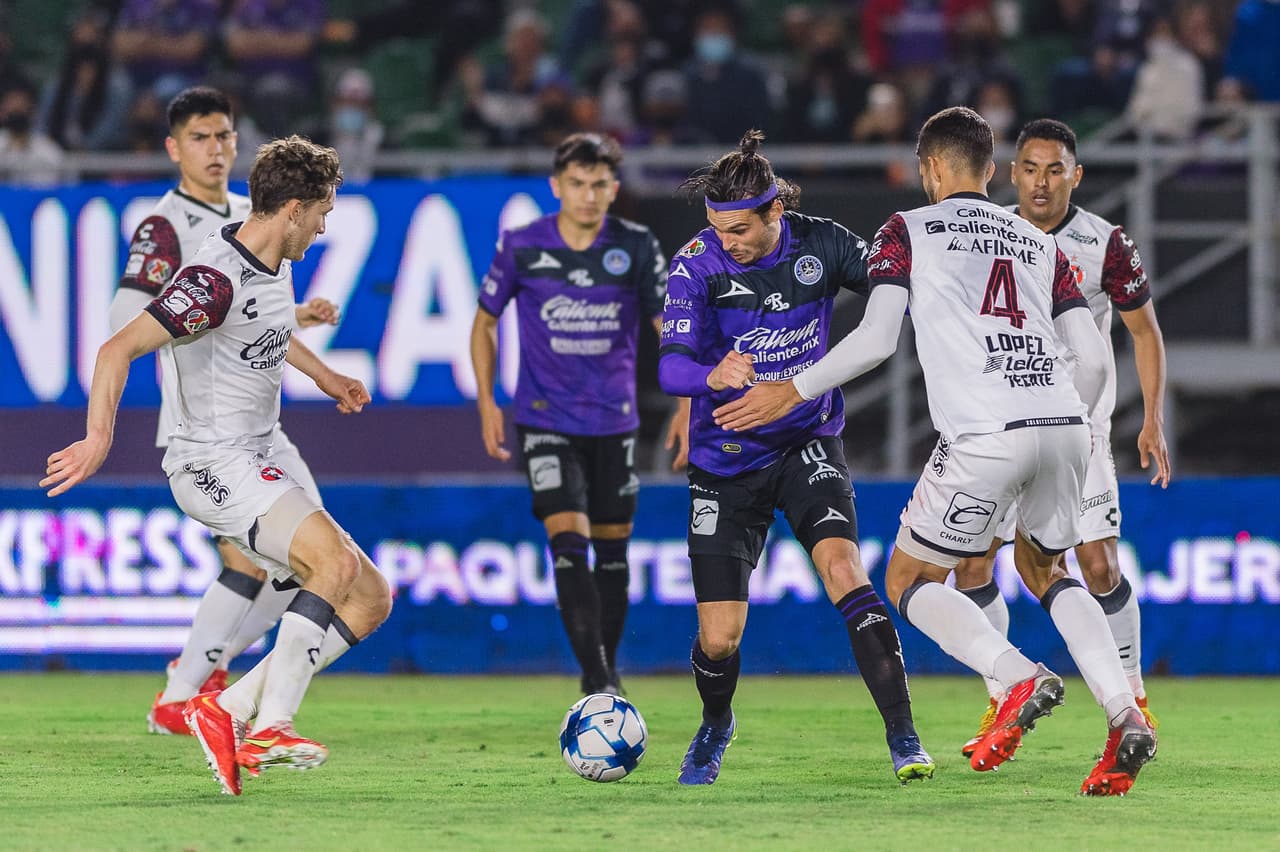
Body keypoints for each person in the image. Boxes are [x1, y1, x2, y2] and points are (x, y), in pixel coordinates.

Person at [714, 108, 1158, 796]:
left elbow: (876, 340)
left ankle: (1018, 678)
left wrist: (788, 392)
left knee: (906, 580)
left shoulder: (909, 229)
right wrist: (1065, 416)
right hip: (1068, 423)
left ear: (931, 169)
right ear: (992, 169)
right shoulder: (1042, 243)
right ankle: (1125, 712)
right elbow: (1098, 363)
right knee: (1047, 568)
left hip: (986, 433)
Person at [44, 135, 392, 797]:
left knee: (371, 597)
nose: (323, 227)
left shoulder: (272, 258)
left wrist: (324, 376)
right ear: (292, 209)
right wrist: (97, 439)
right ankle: (271, 726)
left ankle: (223, 711)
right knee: (332, 565)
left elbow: (271, 328)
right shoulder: (212, 281)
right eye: (321, 214)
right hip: (212, 461)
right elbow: (116, 350)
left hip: (262, 450)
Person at [657, 130, 934, 787]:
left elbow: (895, 292)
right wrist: (711, 376)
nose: (727, 242)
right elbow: (670, 365)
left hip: (809, 439)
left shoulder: (824, 243)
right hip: (725, 459)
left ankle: (904, 737)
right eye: (717, 228)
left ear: (775, 210)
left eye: (739, 230)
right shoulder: (696, 264)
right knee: (720, 637)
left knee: (843, 568)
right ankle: (716, 723)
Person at [110, 86, 341, 739]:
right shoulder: (166, 228)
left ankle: (212, 686)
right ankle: (195, 691)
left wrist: (309, 343)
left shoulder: (255, 216)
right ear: (174, 148)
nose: (215, 149)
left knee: (318, 565)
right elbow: (126, 325)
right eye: (200, 138)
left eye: (224, 136)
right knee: (276, 562)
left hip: (259, 421)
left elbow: (247, 317)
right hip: (203, 424)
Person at [950, 117, 1170, 757]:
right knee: (972, 564)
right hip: (999, 423)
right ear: (1009, 173)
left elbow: (1144, 332)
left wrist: (1151, 416)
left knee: (1096, 565)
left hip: (1079, 430)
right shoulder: (981, 235)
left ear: (1076, 175)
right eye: (1030, 168)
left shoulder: (1104, 244)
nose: (1041, 182)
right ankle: (1006, 701)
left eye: (1055, 169)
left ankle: (1132, 701)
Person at [470, 132, 688, 697]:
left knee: (613, 551)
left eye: (598, 184)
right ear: (556, 187)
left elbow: (669, 329)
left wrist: (688, 402)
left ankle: (605, 670)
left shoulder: (636, 246)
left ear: (614, 189)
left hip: (614, 422)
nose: (588, 195)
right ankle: (597, 680)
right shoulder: (522, 245)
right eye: (577, 184)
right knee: (567, 537)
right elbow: (484, 322)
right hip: (544, 418)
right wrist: (488, 400)